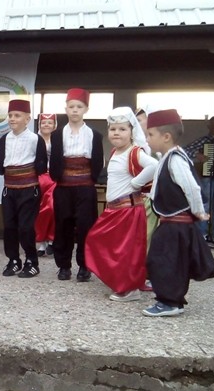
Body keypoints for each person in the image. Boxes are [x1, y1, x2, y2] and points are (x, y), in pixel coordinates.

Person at [143, 109, 214, 317]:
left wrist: (199, 211)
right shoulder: (167, 157)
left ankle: (169, 302)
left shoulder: (176, 159)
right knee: (164, 260)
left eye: (150, 134)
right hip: (169, 223)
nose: (147, 139)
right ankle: (170, 300)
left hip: (177, 224)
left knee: (167, 262)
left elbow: (192, 188)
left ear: (166, 136)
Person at [85, 107, 157, 301]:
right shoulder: (116, 152)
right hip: (115, 209)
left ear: (132, 132)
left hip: (128, 210)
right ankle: (123, 281)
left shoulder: (134, 152)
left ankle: (130, 289)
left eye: (122, 129)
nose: (116, 133)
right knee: (103, 242)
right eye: (113, 129)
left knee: (125, 250)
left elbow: (154, 165)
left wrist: (136, 183)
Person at [49, 88, 104, 282]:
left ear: (86, 109)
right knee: (63, 225)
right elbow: (54, 161)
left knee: (85, 226)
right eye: (71, 106)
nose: (74, 110)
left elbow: (98, 161)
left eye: (79, 107)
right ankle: (64, 266)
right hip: (63, 187)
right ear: (66, 108)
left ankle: (84, 266)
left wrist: (91, 179)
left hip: (85, 187)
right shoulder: (57, 135)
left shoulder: (95, 135)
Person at [0, 99, 48, 278]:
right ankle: (13, 259)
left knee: (26, 227)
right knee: (9, 226)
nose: (12, 119)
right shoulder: (4, 140)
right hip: (9, 189)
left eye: (17, 115)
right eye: (10, 115)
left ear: (27, 119)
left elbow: (41, 166)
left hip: (29, 189)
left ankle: (32, 261)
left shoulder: (35, 139)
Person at [183, 115, 214, 245]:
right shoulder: (203, 140)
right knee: (205, 205)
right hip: (207, 177)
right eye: (212, 124)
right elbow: (184, 150)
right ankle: (202, 234)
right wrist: (198, 155)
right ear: (208, 126)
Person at [35, 113, 57, 257]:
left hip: (54, 178)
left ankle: (51, 240)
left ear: (54, 125)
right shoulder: (34, 140)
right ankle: (41, 243)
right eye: (44, 122)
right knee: (38, 210)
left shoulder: (59, 141)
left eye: (50, 122)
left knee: (51, 208)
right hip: (38, 178)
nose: (46, 125)